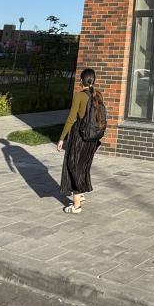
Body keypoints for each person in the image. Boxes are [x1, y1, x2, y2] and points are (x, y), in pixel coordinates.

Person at [57, 68, 104, 213]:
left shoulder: (80, 96)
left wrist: (62, 138)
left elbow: (71, 118)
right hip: (93, 138)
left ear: (81, 80)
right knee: (83, 165)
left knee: (73, 166)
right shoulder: (98, 95)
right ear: (93, 80)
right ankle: (81, 194)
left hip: (80, 137)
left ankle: (76, 205)